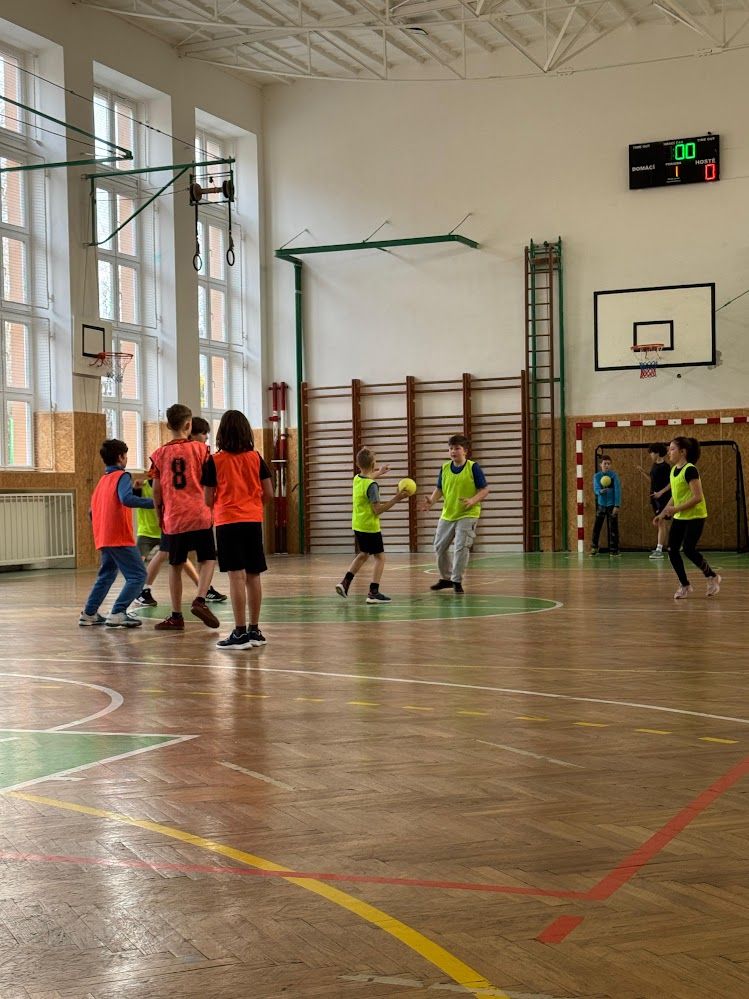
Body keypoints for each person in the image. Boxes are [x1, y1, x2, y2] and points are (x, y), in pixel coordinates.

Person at [202, 409, 274, 649]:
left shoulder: (214, 461)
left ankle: (240, 632)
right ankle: (255, 630)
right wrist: (252, 506)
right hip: (252, 520)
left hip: (228, 522)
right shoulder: (256, 458)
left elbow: (208, 498)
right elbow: (269, 492)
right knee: (254, 575)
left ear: (222, 433)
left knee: (236, 576)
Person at [149, 403, 220, 631]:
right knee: (207, 558)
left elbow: (156, 491)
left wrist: (159, 514)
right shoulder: (201, 450)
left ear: (168, 425)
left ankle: (176, 615)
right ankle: (200, 598)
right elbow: (211, 482)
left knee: (175, 565)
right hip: (199, 513)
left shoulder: (159, 455)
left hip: (175, 518)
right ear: (189, 425)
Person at [79, 439, 154, 629]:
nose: (126, 458)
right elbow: (126, 499)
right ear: (120, 457)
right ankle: (118, 612)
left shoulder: (103, 480)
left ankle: (89, 614)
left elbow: (91, 512)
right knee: (138, 575)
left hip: (104, 536)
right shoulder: (122, 475)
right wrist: (155, 503)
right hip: (118, 536)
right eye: (126, 455)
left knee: (106, 575)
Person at [132, 471, 226, 607]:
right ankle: (143, 590)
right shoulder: (145, 485)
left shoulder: (169, 483)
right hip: (147, 532)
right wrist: (137, 489)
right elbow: (136, 499)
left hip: (168, 527)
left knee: (181, 559)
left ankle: (203, 589)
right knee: (149, 561)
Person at [335, 447, 408, 603]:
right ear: (373, 464)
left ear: (358, 464)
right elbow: (377, 510)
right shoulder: (372, 486)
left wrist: (379, 472)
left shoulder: (357, 478)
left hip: (358, 524)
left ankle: (345, 583)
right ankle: (373, 592)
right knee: (380, 558)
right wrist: (396, 498)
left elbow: (367, 477)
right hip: (369, 527)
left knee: (363, 554)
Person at [419, 434, 489, 593]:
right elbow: (440, 489)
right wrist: (431, 501)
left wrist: (473, 500)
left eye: (457, 448)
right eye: (450, 448)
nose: (453, 451)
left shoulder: (473, 467)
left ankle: (456, 581)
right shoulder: (444, 468)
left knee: (460, 547)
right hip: (448, 514)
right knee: (439, 547)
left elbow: (485, 490)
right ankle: (446, 579)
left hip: (468, 514)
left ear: (465, 451)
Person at [654, 436, 721, 600]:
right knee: (672, 550)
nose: (669, 452)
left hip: (695, 515)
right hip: (680, 516)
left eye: (672, 449)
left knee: (689, 549)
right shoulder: (673, 471)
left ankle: (711, 576)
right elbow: (675, 496)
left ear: (682, 452)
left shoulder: (690, 470)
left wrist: (675, 509)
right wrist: (662, 514)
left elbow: (697, 497)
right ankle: (684, 585)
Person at [590, 455, 621, 556]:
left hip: (612, 505)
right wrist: (600, 491)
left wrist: (617, 505)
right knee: (597, 526)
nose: (607, 465)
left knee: (613, 527)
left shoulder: (614, 476)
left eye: (608, 464)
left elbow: (617, 491)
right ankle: (594, 547)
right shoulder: (597, 476)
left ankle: (614, 549)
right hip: (601, 505)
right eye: (605, 463)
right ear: (601, 465)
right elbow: (596, 489)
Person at [645, 443, 671, 559]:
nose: (650, 455)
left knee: (661, 522)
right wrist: (643, 472)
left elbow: (671, 483)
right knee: (663, 523)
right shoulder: (654, 465)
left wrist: (661, 492)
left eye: (652, 452)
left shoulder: (665, 467)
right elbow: (652, 481)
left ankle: (659, 550)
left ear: (657, 453)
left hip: (663, 498)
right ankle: (671, 545)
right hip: (654, 498)